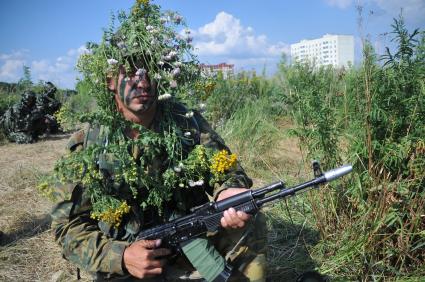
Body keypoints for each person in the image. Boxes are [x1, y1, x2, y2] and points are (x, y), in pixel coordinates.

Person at [50, 1, 266, 281]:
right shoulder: (90, 144)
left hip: (191, 241)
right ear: (110, 81)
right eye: (129, 72)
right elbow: (66, 227)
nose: (142, 81)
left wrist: (228, 191)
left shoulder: (186, 121)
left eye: (149, 69)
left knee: (251, 217)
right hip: (131, 257)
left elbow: (228, 171)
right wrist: (123, 257)